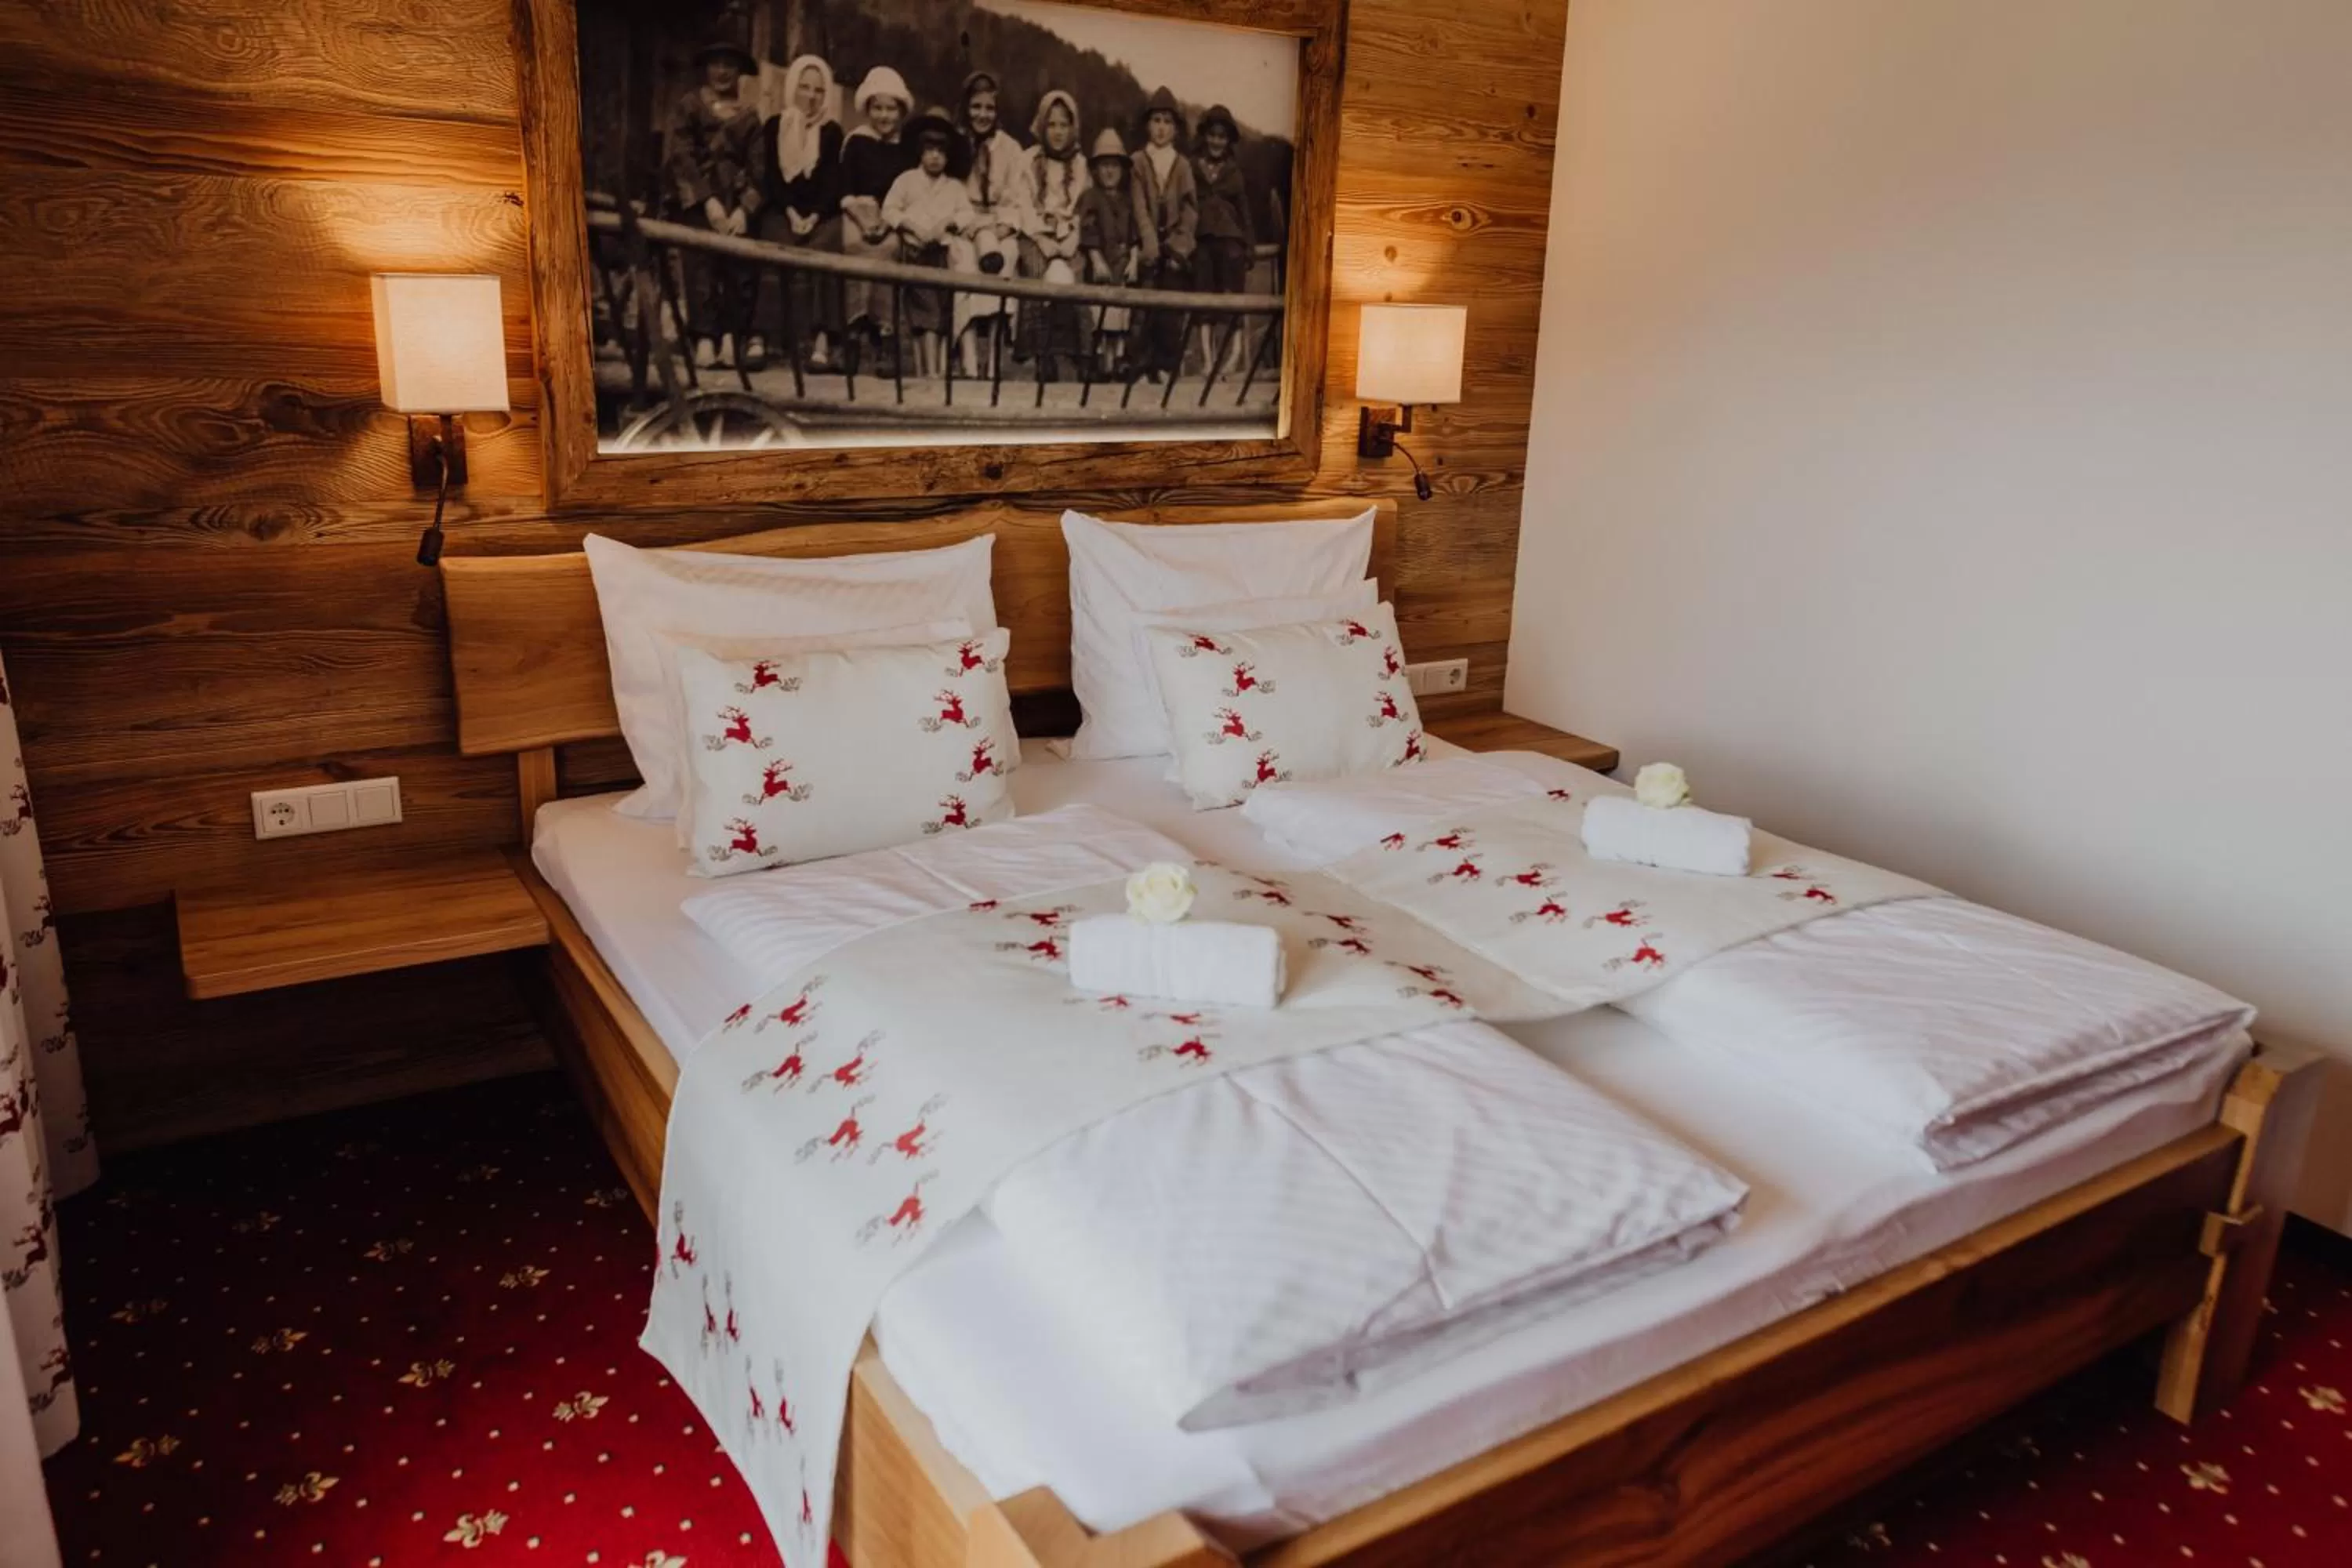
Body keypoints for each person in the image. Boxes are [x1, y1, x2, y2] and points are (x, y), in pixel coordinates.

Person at [661, 40, 764, 370]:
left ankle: (732, 337)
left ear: (740, 72)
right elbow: (681, 157)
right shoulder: (689, 107)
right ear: (706, 69)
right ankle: (705, 337)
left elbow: (760, 167)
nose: (722, 72)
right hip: (698, 201)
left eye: (729, 65)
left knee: (740, 259)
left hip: (736, 201)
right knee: (700, 258)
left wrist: (744, 209)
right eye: (716, 64)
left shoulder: (749, 117)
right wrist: (707, 202)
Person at [755, 54, 845, 373]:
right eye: (804, 87)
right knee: (774, 242)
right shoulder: (775, 126)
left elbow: (832, 182)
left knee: (825, 249)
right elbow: (771, 178)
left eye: (819, 90)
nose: (811, 96)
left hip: (820, 215)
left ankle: (821, 341)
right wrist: (792, 213)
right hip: (783, 209)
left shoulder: (832, 132)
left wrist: (814, 216)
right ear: (792, 87)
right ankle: (760, 337)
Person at [882, 107, 979, 380]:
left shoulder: (954, 187)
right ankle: (929, 373)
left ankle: (935, 371)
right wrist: (910, 225)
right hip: (915, 253)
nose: (935, 157)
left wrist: (948, 223)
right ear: (920, 152)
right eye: (929, 150)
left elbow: (967, 214)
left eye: (941, 152)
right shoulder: (907, 181)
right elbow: (889, 209)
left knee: (941, 313)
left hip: (942, 255)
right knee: (925, 313)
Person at [837, 67, 917, 369]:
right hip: (857, 211)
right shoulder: (856, 142)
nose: (884, 116)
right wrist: (862, 218)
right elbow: (845, 188)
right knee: (853, 245)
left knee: (888, 249)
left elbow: (907, 192)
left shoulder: (906, 149)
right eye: (878, 108)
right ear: (867, 109)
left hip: (891, 216)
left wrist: (886, 222)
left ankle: (886, 334)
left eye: (891, 109)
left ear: (901, 111)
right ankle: (853, 333)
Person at [955, 71, 1029, 376]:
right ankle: (969, 355)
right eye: (976, 107)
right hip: (966, 224)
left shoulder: (1010, 148)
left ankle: (996, 355)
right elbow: (951, 192)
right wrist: (970, 227)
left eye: (989, 108)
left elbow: (1017, 195)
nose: (982, 115)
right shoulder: (957, 144)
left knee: (1008, 254)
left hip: (999, 223)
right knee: (962, 260)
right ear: (966, 107)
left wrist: (1003, 227)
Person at [1129, 85, 1197, 383]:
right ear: (1147, 124)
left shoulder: (1182, 165)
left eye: (1168, 122)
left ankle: (1166, 365)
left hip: (1172, 246)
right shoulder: (1138, 161)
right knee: (1144, 306)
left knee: (1171, 304)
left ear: (1176, 129)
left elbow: (1190, 210)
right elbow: (1139, 206)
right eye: (1156, 121)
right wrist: (1149, 242)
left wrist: (1179, 246)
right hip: (1146, 243)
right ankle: (1140, 366)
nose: (1161, 128)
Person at [1018, 89, 1087, 376]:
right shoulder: (1029, 160)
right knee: (1036, 271)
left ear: (1073, 127)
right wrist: (1040, 237)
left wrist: (1072, 237)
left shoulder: (1080, 164)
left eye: (1064, 125)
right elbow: (1022, 203)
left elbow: (1082, 207)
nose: (1058, 132)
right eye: (1052, 125)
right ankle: (1041, 354)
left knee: (1077, 272)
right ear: (1041, 126)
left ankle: (1079, 354)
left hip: (1067, 234)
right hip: (1036, 234)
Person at [1189, 103, 1255, 378]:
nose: (1216, 141)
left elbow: (1244, 211)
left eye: (1222, 137)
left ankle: (1234, 356)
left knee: (1232, 295)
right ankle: (1208, 359)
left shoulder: (1234, 172)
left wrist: (1249, 245)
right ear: (1205, 136)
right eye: (1212, 135)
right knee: (1204, 296)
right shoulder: (1193, 167)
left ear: (1229, 140)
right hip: (1203, 239)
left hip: (1230, 242)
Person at [1077, 127, 1145, 379]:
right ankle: (1101, 362)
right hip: (1101, 266)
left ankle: (1119, 359)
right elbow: (1088, 229)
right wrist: (1096, 259)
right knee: (1101, 314)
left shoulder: (1127, 200)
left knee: (1123, 314)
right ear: (1096, 170)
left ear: (1122, 170)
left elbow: (1135, 232)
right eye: (1104, 165)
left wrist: (1135, 260)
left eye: (1114, 166)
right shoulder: (1091, 197)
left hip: (1123, 266)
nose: (1109, 171)